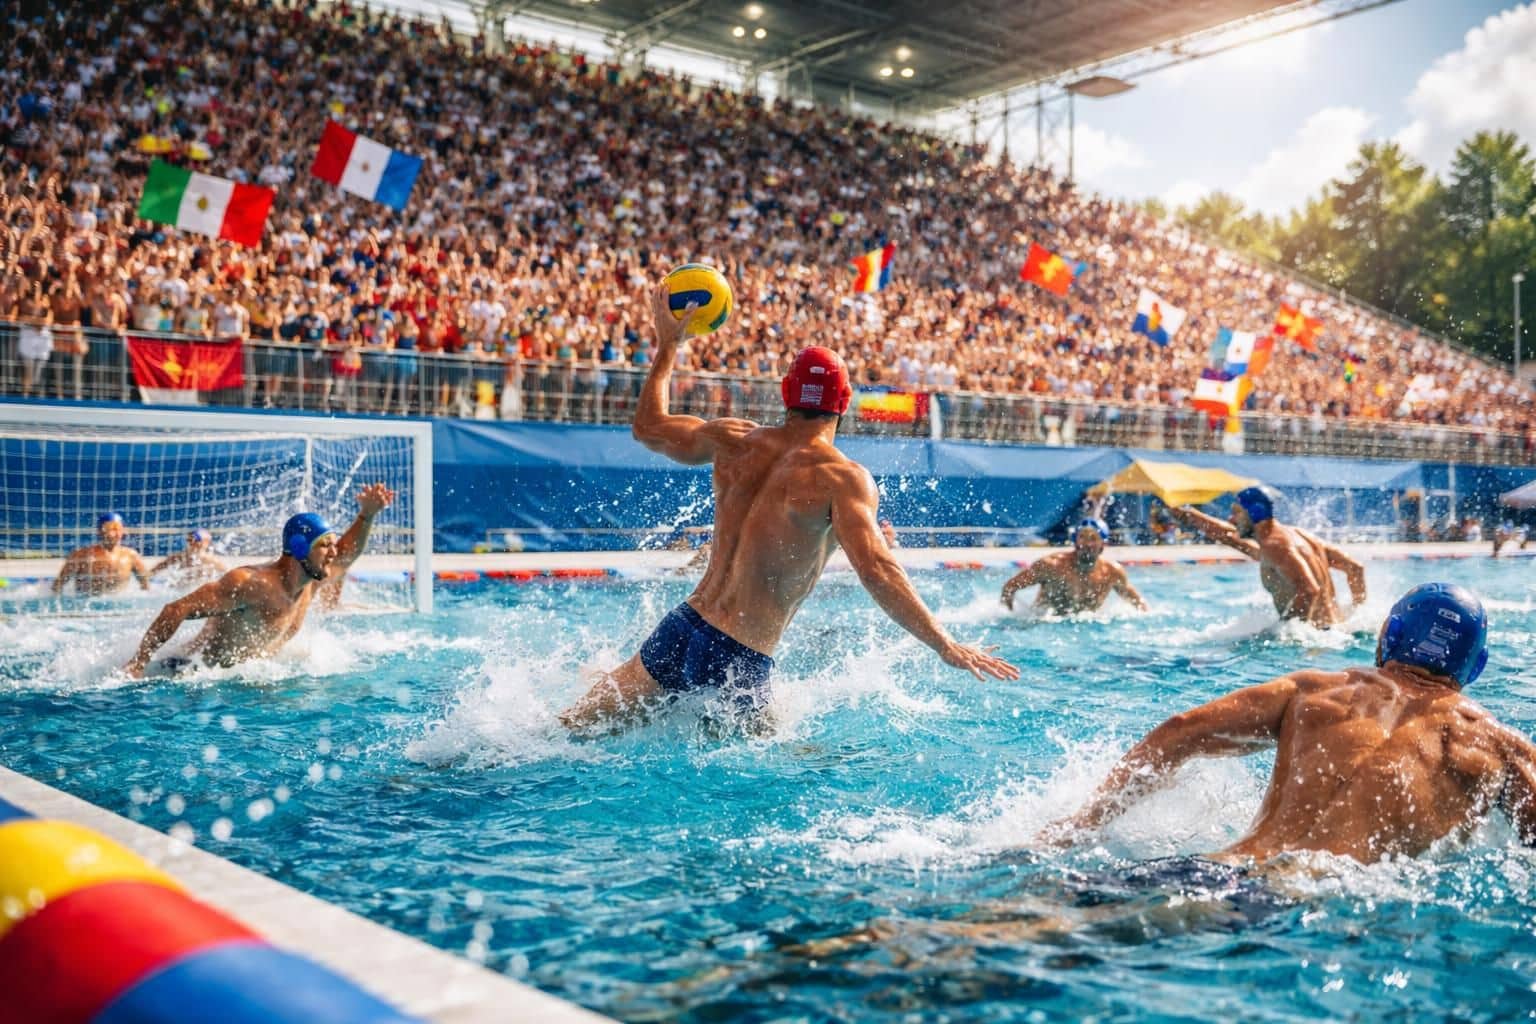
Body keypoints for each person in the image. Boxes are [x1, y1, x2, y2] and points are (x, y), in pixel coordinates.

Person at [560, 283, 1018, 732]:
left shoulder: (733, 439)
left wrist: (668, 345)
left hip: (681, 628)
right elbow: (877, 568)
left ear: (785, 393)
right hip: (737, 659)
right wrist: (944, 644)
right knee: (787, 765)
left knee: (571, 731)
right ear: (844, 403)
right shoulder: (843, 479)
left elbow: (648, 427)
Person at [1038, 583, 1536, 864]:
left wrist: (1082, 826)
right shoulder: (1502, 749)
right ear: (1475, 665)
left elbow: (1179, 730)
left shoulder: (1315, 690)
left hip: (1221, 873)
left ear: (1391, 636)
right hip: (1325, 908)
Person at [122, 484, 395, 677]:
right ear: (299, 547)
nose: (334, 552)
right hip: (187, 671)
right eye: (325, 545)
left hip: (242, 680)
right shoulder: (250, 583)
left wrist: (366, 515)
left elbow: (348, 553)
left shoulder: (310, 581)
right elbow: (176, 609)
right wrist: (138, 663)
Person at [1165, 488, 1366, 628]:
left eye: (1236, 513)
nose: (1231, 519)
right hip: (1334, 628)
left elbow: (1309, 590)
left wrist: (1289, 631)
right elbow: (1355, 568)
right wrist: (1187, 515)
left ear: (1253, 514)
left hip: (1316, 639)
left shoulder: (1276, 547)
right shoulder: (1296, 536)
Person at [1000, 518, 1148, 615]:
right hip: (1044, 627)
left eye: (1093, 538)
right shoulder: (1051, 565)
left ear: (1103, 543)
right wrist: (1011, 618)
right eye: (1082, 537)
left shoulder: (1112, 573)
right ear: (1075, 540)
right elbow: (1010, 587)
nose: (1086, 543)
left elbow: (1139, 604)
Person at [53, 513, 150, 596]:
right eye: (111, 529)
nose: (115, 533)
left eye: (118, 529)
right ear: (100, 531)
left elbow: (145, 585)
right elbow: (57, 585)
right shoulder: (81, 555)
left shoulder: (131, 556)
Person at [150, 528, 228, 586]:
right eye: (189, 540)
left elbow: (226, 574)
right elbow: (158, 568)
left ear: (206, 542)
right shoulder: (180, 557)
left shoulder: (211, 560)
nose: (192, 542)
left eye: (196, 539)